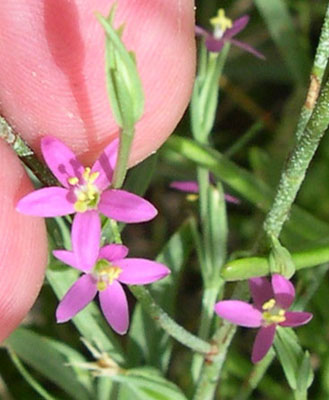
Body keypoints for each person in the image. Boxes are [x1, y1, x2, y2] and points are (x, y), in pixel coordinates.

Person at [0, 0, 195, 342]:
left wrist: (95, 257)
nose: (85, 194)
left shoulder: (99, 224)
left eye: (102, 270)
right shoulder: (97, 196)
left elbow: (135, 212)